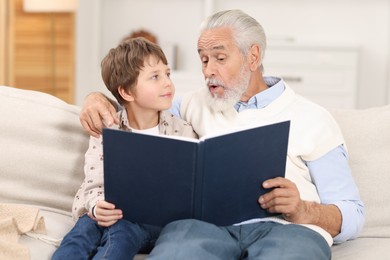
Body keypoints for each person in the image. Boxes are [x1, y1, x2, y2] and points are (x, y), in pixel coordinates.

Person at [79, 9, 364, 260]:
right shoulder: (189, 105)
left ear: (252, 57)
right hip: (204, 228)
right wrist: (95, 98)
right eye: (203, 60)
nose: (208, 71)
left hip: (289, 231)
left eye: (219, 58)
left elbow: (352, 214)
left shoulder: (313, 118)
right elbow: (136, 103)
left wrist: (303, 209)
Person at [52, 38, 197, 260]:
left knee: (121, 232)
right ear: (127, 92)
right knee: (82, 232)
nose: (167, 82)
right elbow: (94, 181)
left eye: (167, 74)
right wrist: (97, 207)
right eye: (155, 77)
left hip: (150, 223)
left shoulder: (183, 131)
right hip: (107, 212)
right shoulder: (107, 131)